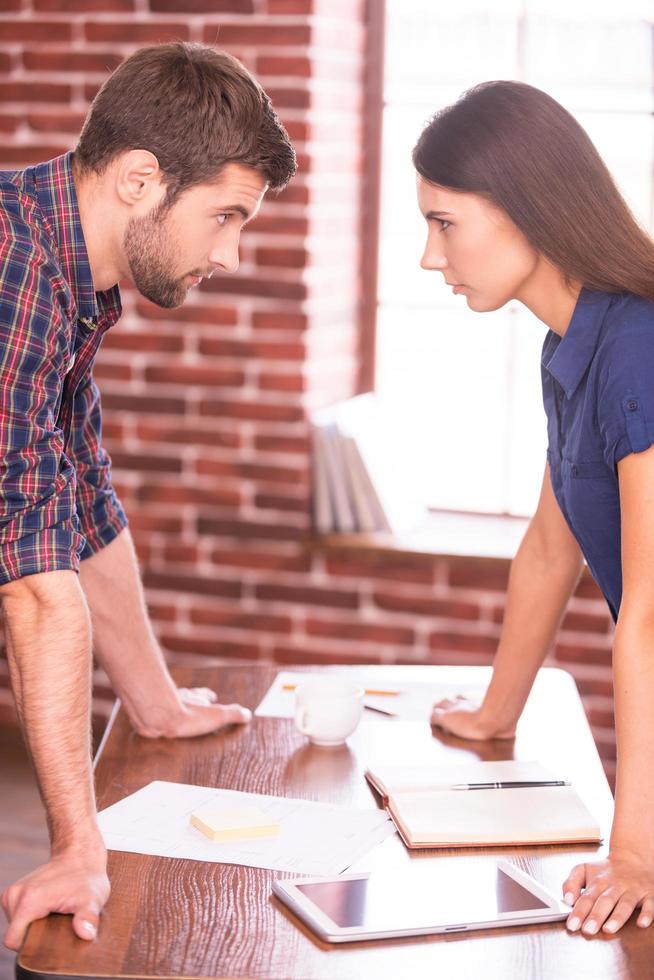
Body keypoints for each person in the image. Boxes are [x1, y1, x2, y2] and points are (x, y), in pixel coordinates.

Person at [0, 42, 296, 951]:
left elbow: (83, 507)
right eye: (225, 217)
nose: (233, 254)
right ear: (139, 179)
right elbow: (35, 581)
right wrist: (77, 847)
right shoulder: (14, 272)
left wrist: (155, 703)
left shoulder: (69, 281)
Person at [415, 79, 654, 938]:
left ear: (525, 209)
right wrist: (493, 714)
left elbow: (652, 619)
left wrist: (635, 850)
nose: (429, 257)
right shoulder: (577, 344)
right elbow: (552, 551)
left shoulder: (638, 348)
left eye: (444, 224)